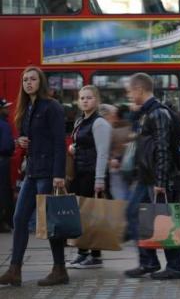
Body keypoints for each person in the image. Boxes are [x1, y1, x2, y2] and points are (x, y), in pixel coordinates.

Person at [0, 66, 67, 286]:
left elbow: (59, 142)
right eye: (25, 79)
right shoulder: (27, 108)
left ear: (41, 82)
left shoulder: (52, 107)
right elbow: (30, 139)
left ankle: (59, 270)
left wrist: (59, 174)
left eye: (33, 79)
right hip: (32, 172)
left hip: (48, 173)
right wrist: (21, 141)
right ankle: (14, 270)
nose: (28, 83)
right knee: (19, 219)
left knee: (50, 222)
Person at [123, 73, 180, 280]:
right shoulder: (146, 112)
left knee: (165, 219)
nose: (129, 96)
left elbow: (163, 148)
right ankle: (148, 261)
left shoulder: (158, 113)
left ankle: (175, 267)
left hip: (158, 178)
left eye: (131, 92)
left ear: (139, 90)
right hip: (145, 177)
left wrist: (161, 181)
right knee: (134, 213)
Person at [66, 85, 112, 269]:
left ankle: (95, 256)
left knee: (93, 217)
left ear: (97, 100)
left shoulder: (99, 123)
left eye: (89, 97)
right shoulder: (80, 121)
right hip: (80, 173)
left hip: (92, 175)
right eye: (82, 98)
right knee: (82, 216)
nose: (85, 100)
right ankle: (82, 252)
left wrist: (99, 180)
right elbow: (81, 145)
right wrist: (73, 149)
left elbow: (102, 153)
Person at [98, 104, 133, 201]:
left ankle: (121, 212)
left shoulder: (111, 130)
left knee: (119, 194)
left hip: (115, 167)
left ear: (117, 116)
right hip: (131, 168)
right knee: (128, 193)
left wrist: (110, 160)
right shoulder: (133, 129)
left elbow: (105, 150)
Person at [0, 98, 15, 233]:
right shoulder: (4, 124)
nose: (8, 109)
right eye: (5, 107)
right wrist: (13, 145)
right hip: (2, 160)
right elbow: (5, 145)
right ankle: (5, 222)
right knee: (4, 191)